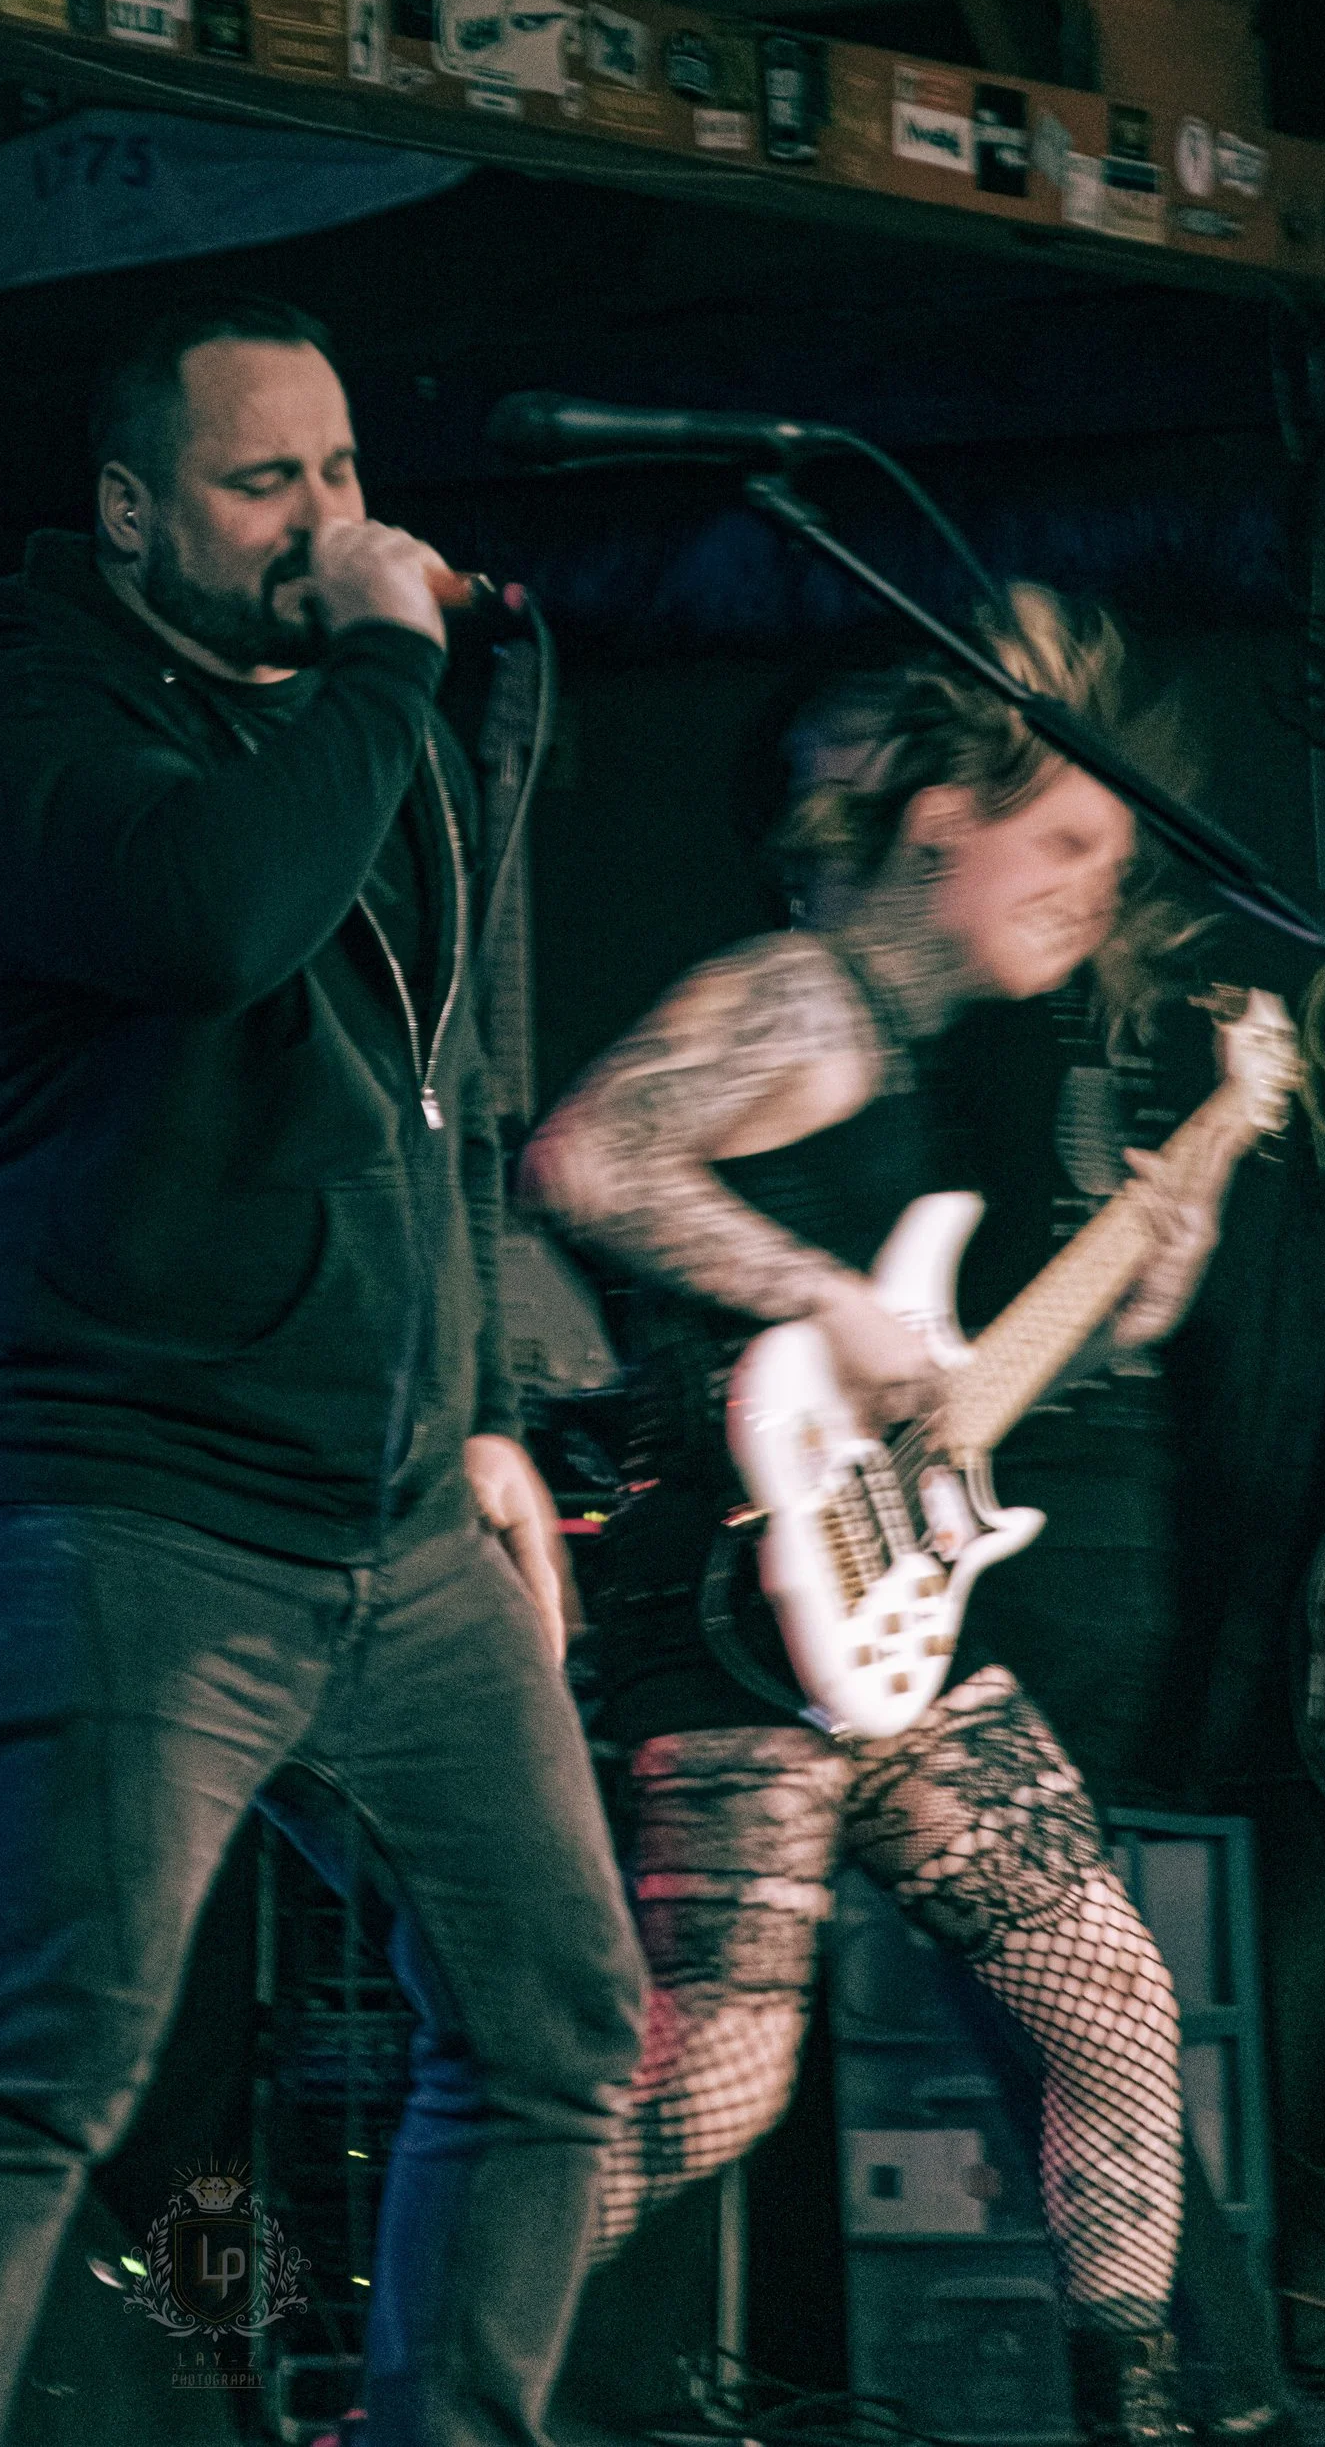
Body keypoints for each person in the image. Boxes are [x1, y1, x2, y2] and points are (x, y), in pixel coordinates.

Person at [0, 296, 647, 2447]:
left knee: (560, 2025)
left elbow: (422, 1092)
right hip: (114, 1515)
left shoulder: (350, 736)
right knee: (45, 2065)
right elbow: (209, 923)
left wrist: (477, 1412)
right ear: (127, 512)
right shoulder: (17, 721)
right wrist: (379, 660)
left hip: (381, 1530)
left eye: (344, 473)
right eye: (264, 482)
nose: (325, 521)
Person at [523, 591, 1258, 2445]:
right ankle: (427, 2348)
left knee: (1106, 2001)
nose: (1095, 887)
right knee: (714, 2087)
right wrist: (820, 1295)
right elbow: (584, 1155)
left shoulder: (920, 1057)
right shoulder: (790, 994)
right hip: (727, 1617)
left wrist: (1211, 1170)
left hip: (889, 1614)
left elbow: (1094, 1328)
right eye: (1067, 838)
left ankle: (1143, 2409)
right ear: (941, 827)